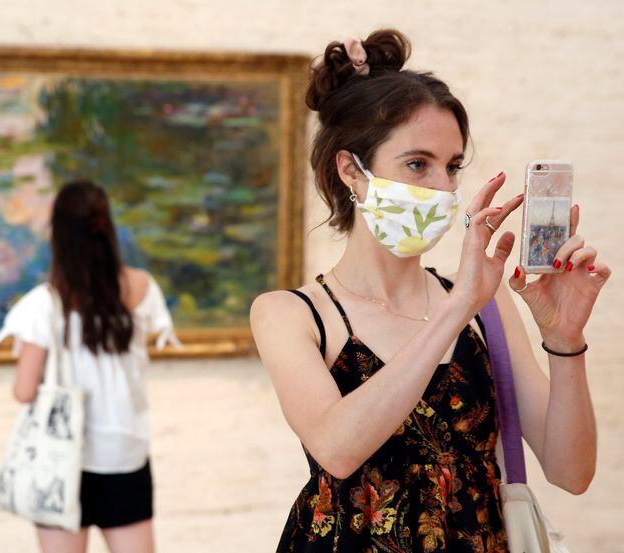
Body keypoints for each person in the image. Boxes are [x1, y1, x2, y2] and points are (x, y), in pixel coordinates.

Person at [250, 29, 610, 552]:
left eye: (453, 166)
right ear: (352, 169)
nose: (444, 188)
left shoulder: (486, 301)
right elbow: (338, 448)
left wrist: (565, 340)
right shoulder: (290, 314)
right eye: (418, 164)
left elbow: (571, 472)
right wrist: (458, 304)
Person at [0, 180, 179, 553]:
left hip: (61, 460)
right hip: (125, 454)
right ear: (105, 226)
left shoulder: (43, 304)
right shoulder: (142, 288)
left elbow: (25, 391)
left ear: (58, 233)